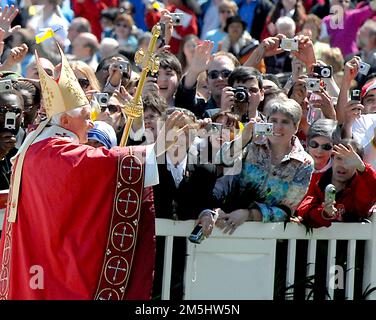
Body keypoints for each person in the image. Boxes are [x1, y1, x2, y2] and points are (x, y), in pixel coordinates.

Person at [0, 43, 187, 299]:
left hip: (38, 263)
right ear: (65, 121)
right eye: (86, 117)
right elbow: (98, 164)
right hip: (53, 269)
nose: (91, 123)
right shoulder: (56, 151)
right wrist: (157, 149)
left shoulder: (37, 145)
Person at [201, 98, 314, 235]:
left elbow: (286, 210)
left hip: (268, 233)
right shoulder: (252, 144)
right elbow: (220, 161)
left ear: (296, 127)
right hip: (227, 220)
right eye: (273, 121)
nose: (278, 127)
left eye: (285, 122)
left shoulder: (304, 162)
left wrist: (248, 214)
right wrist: (243, 139)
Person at [296, 139, 376, 228]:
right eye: (339, 158)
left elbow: (369, 198)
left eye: (349, 160)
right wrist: (325, 213)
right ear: (332, 158)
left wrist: (363, 168)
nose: (343, 165)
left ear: (358, 164)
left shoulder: (361, 185)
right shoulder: (315, 180)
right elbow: (304, 209)